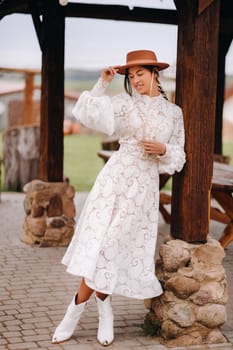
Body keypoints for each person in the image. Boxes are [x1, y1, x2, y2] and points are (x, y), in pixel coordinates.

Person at [52, 49, 186, 346]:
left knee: (113, 246)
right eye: (132, 75)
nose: (136, 80)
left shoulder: (173, 113)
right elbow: (87, 113)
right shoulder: (123, 103)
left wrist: (163, 150)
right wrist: (102, 83)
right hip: (114, 180)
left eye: (141, 73)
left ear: (154, 73)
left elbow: (179, 156)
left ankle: (100, 307)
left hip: (144, 188)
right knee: (101, 246)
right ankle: (79, 312)